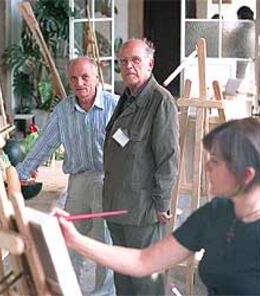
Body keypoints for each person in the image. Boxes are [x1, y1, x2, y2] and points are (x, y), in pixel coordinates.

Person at [56, 117, 260, 296]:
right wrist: (76, 239)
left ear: (246, 175)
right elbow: (143, 260)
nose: (207, 166)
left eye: (215, 161)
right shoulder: (216, 212)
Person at [17, 56, 118, 295]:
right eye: (74, 78)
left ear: (96, 77)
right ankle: (68, 289)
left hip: (108, 179)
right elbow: (44, 144)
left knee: (104, 241)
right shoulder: (63, 110)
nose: (79, 83)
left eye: (85, 77)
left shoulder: (115, 105)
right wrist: (20, 172)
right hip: (79, 180)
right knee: (70, 236)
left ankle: (104, 293)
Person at [103, 38, 179, 295]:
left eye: (135, 60)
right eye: (123, 61)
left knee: (146, 282)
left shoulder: (160, 101)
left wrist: (161, 203)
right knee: (123, 278)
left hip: (142, 210)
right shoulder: (126, 97)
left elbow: (168, 157)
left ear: (150, 63)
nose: (128, 66)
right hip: (116, 206)